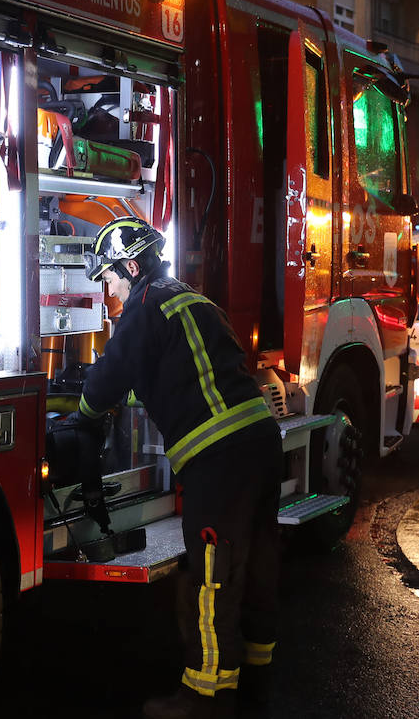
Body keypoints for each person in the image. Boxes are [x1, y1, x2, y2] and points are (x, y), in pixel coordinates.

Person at [74, 217, 282, 719]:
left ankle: (206, 695)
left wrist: (80, 415)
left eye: (108, 279)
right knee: (254, 562)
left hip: (219, 458)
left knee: (212, 574)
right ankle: (256, 673)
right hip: (260, 441)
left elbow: (104, 386)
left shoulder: (143, 308)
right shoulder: (195, 299)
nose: (107, 292)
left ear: (130, 266)